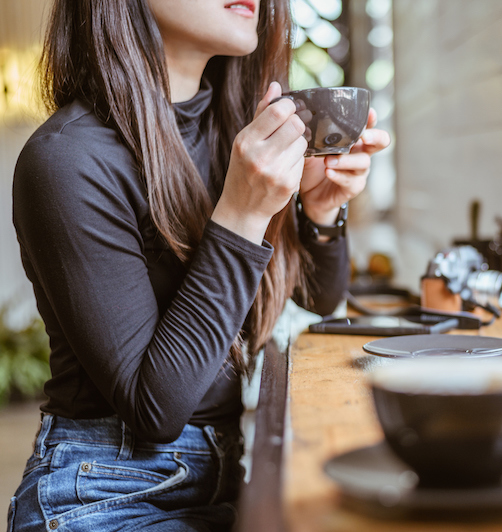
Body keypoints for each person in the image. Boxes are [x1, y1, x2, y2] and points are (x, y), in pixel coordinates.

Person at [6, 0, 390, 530]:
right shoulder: (67, 159)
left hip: (223, 479)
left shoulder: (230, 133)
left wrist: (320, 212)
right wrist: (242, 213)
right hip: (105, 496)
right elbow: (155, 410)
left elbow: (315, 298)